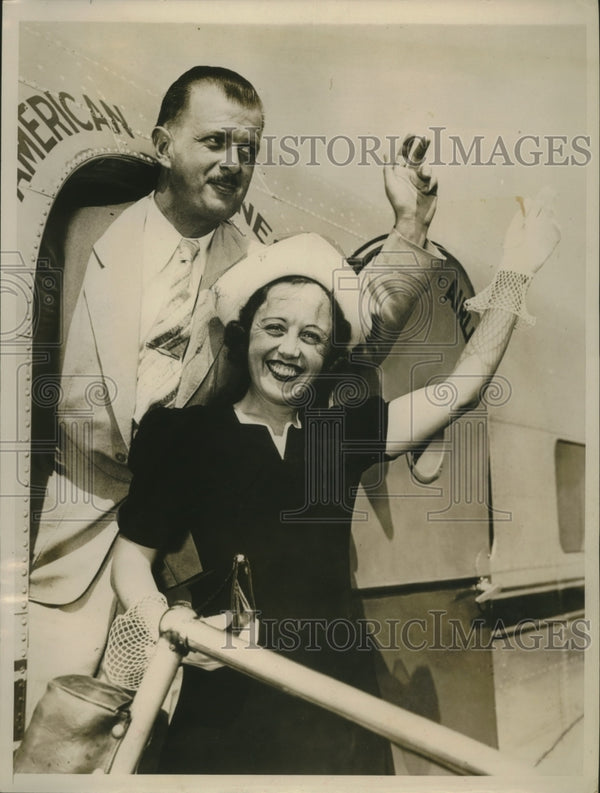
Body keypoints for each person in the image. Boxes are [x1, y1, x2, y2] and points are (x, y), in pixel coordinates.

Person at [26, 62, 442, 724]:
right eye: (216, 142)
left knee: (164, 750)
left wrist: (409, 232)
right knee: (55, 749)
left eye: (248, 148)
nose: (234, 162)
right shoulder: (78, 230)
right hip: (72, 545)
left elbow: (343, 342)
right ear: (163, 146)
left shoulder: (257, 265)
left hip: (191, 566)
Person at [110, 191, 560, 774]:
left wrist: (516, 273)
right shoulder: (187, 438)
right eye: (275, 327)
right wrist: (167, 622)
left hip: (339, 706)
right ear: (244, 333)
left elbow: (463, 386)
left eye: (312, 337)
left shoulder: (337, 433)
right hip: (227, 708)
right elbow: (130, 556)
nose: (289, 350)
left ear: (326, 354)